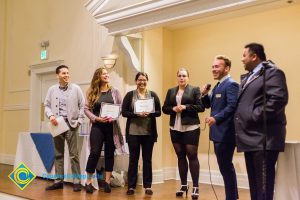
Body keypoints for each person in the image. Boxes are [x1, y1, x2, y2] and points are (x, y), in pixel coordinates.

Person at [234, 43, 288, 200]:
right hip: (250, 138)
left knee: (264, 188)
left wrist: (253, 115)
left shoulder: (273, 73)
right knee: (255, 186)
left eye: (244, 55)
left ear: (254, 56)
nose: (242, 59)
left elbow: (278, 100)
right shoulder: (251, 76)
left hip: (264, 139)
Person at [162, 68, 205, 200]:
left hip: (191, 127)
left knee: (192, 156)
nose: (181, 78)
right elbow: (165, 108)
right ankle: (184, 185)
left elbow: (201, 107)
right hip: (175, 127)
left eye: (184, 76)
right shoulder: (171, 91)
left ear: (188, 78)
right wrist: (173, 108)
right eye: (179, 76)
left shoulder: (195, 90)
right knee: (180, 157)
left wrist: (185, 107)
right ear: (177, 77)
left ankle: (196, 186)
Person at [201, 55, 239, 200]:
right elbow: (208, 105)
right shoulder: (218, 85)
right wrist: (204, 94)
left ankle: (232, 197)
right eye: (213, 66)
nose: (213, 69)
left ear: (227, 68)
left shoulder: (231, 84)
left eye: (217, 66)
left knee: (226, 168)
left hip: (226, 134)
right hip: (217, 134)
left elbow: (232, 106)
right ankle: (232, 196)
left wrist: (215, 118)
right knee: (225, 168)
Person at [44, 65, 85, 192]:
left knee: (74, 155)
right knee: (58, 154)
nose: (66, 75)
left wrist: (79, 121)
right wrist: (50, 116)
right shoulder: (52, 89)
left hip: (71, 125)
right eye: (63, 73)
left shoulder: (76, 89)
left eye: (68, 73)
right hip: (57, 125)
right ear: (58, 75)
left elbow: (83, 105)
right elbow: (46, 105)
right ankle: (58, 181)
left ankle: (77, 181)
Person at [84, 67, 124, 194]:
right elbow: (86, 109)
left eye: (107, 74)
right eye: (104, 74)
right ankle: (88, 181)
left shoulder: (115, 91)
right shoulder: (91, 91)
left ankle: (107, 182)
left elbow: (121, 107)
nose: (107, 75)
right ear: (98, 77)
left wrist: (114, 116)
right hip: (97, 126)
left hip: (111, 127)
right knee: (94, 153)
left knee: (109, 153)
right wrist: (96, 118)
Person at [122, 72, 161, 196]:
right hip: (133, 132)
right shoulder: (130, 95)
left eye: (144, 80)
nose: (142, 82)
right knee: (133, 159)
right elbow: (124, 112)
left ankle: (148, 186)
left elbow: (159, 112)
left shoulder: (153, 95)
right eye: (139, 80)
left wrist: (149, 113)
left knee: (147, 160)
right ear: (136, 81)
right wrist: (136, 114)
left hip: (149, 133)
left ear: (147, 81)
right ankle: (131, 186)